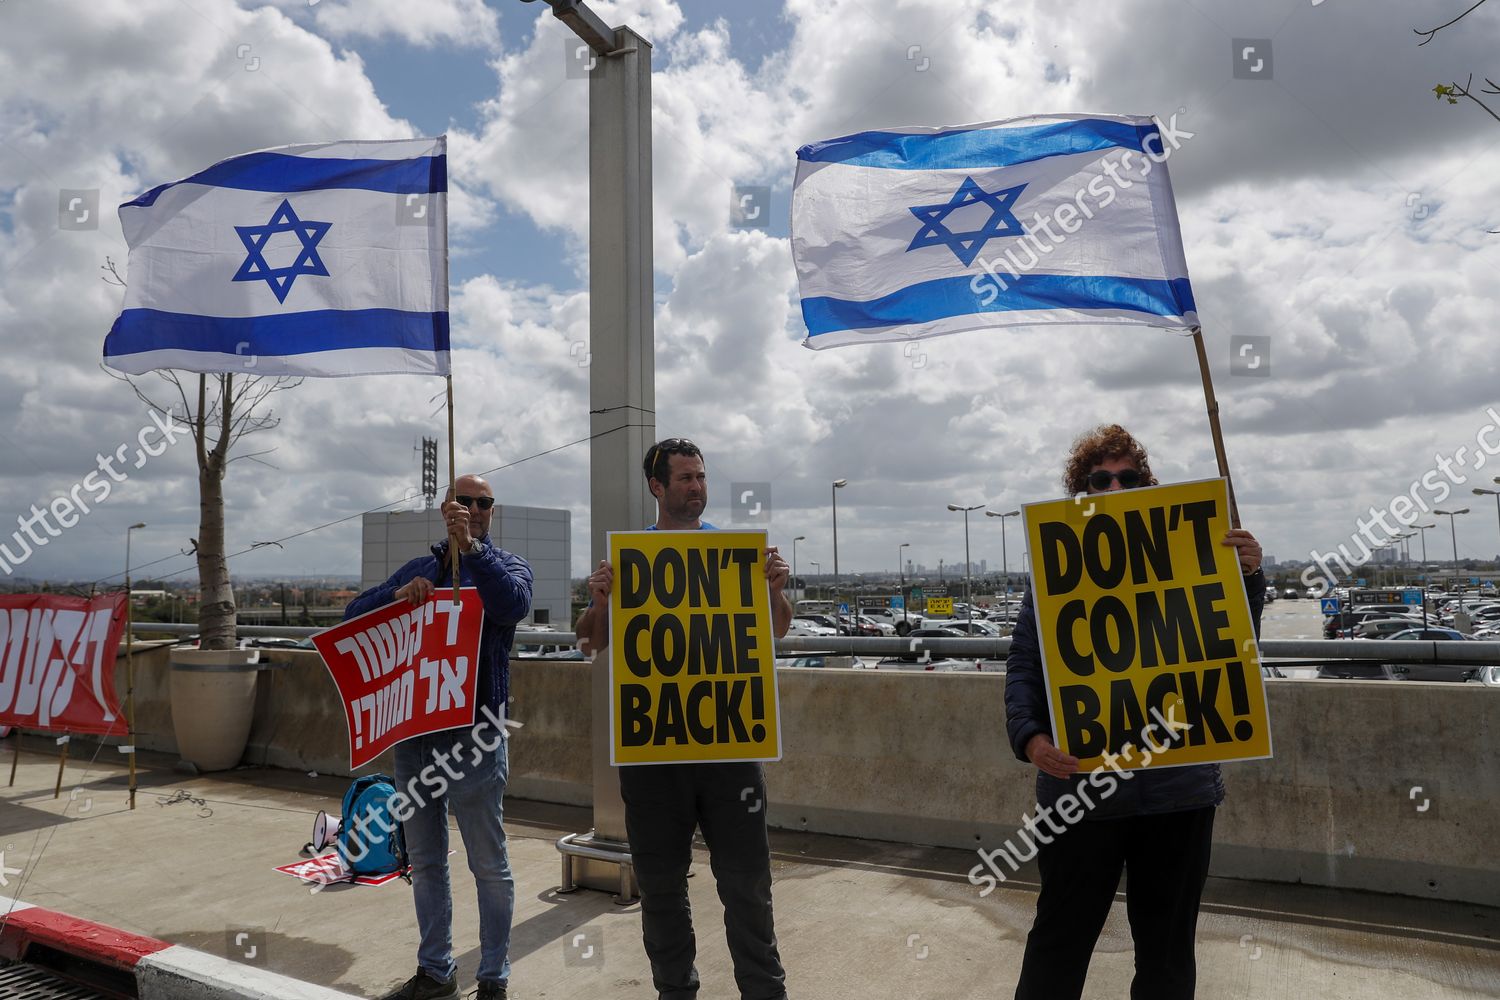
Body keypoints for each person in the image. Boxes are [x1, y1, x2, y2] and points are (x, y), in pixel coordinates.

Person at [1004, 424, 1266, 1000]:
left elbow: (1232, 644)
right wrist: (1029, 738)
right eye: (1102, 478)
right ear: (1083, 492)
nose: (1117, 486)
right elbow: (1025, 664)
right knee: (1058, 944)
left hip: (1178, 791)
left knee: (1167, 954)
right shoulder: (1053, 573)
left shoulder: (1196, 558)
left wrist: (1247, 575)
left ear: (1149, 484)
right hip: (1081, 790)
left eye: (1131, 477)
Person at [575, 437, 794, 1000]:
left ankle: (765, 992)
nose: (697, 487)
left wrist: (775, 591)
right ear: (656, 487)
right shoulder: (626, 560)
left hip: (729, 751)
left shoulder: (736, 552)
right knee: (663, 890)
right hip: (654, 757)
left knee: (748, 887)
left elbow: (778, 630)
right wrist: (600, 602)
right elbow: (587, 645)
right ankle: (677, 992)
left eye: (701, 477)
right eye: (685, 479)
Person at [344, 474, 533, 1000]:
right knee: (426, 862)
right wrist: (396, 595)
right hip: (417, 737)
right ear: (446, 506)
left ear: (492, 512)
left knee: (488, 864)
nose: (475, 508)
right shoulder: (419, 570)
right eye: (465, 501)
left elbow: (510, 605)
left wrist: (472, 549)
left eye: (485, 503)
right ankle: (436, 970)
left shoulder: (509, 565)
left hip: (476, 739)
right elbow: (352, 618)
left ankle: (493, 978)